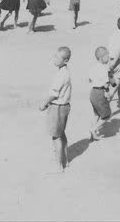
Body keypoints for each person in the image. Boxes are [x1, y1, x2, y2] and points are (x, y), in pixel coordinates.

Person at [39, 46, 72, 174]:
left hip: (57, 108)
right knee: (62, 134)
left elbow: (54, 94)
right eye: (55, 56)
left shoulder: (61, 75)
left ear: (65, 60)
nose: (55, 59)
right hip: (64, 106)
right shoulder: (65, 72)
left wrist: (44, 104)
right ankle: (66, 160)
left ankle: (59, 165)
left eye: (58, 58)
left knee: (56, 137)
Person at [89, 47, 112, 140]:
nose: (109, 57)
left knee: (97, 113)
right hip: (100, 92)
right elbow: (106, 84)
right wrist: (107, 93)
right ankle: (93, 129)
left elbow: (90, 79)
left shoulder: (93, 67)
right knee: (107, 115)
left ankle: (94, 132)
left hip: (93, 92)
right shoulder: (104, 68)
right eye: (107, 56)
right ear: (101, 58)